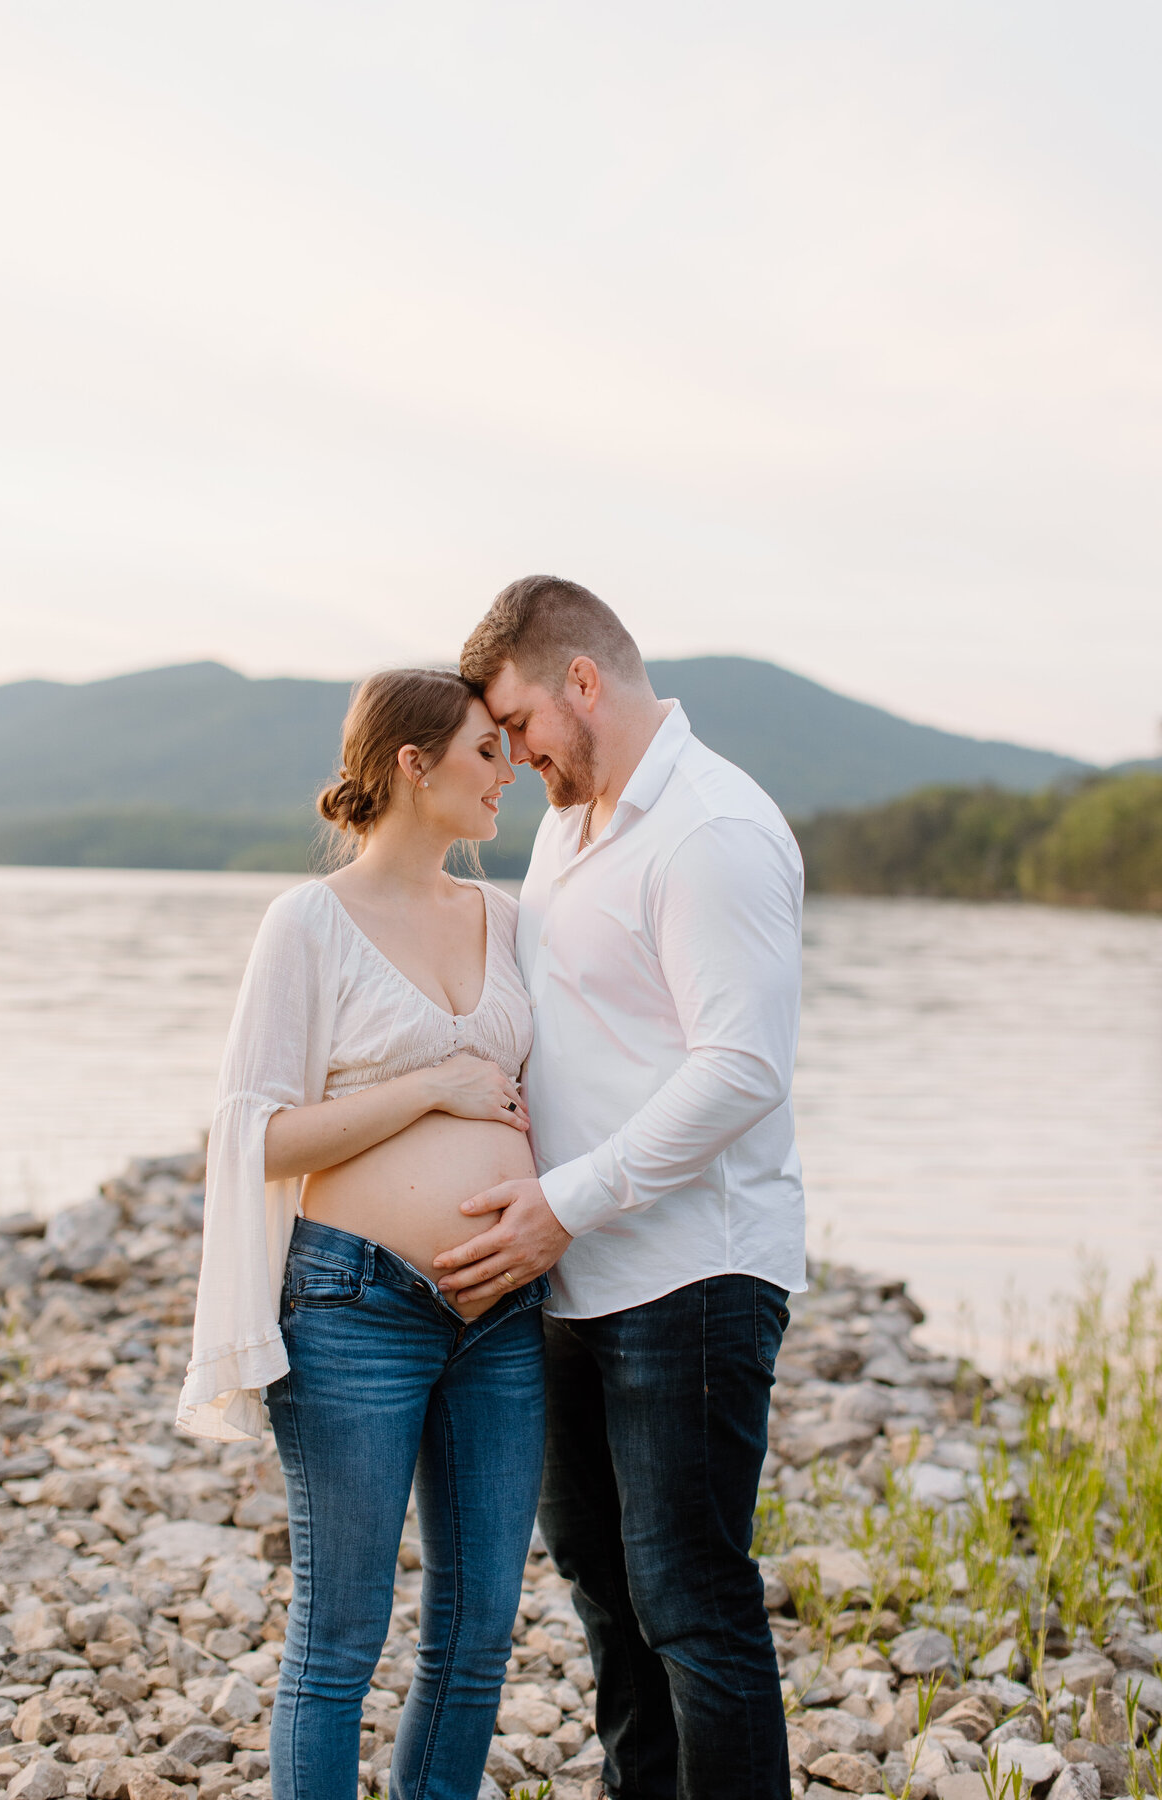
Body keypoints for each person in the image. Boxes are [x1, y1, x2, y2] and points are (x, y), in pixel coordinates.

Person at [436, 575, 807, 1800]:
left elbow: (740, 1069)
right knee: (603, 1590)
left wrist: (564, 1202)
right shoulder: (565, 826)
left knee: (693, 1606)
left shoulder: (712, 830)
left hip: (690, 1275)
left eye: (520, 725)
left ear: (582, 682)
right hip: (574, 1278)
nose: (515, 756)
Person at [177, 668, 547, 1800]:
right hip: (354, 1308)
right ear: (412, 764)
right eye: (487, 750)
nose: (509, 771)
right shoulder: (308, 923)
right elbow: (258, 1140)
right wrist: (434, 1087)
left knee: (478, 1632)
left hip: (504, 1310)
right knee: (339, 1641)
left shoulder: (513, 917)